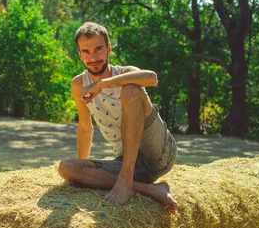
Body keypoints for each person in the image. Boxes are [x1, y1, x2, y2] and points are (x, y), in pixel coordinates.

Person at [58, 22, 179, 214]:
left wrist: (102, 84)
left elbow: (151, 77)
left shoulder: (124, 72)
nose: (93, 57)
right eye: (86, 52)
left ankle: (126, 180)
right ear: (80, 54)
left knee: (130, 89)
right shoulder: (79, 85)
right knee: (67, 167)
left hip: (159, 153)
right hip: (129, 163)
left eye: (98, 49)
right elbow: (85, 128)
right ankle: (148, 188)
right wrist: (84, 173)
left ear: (108, 49)